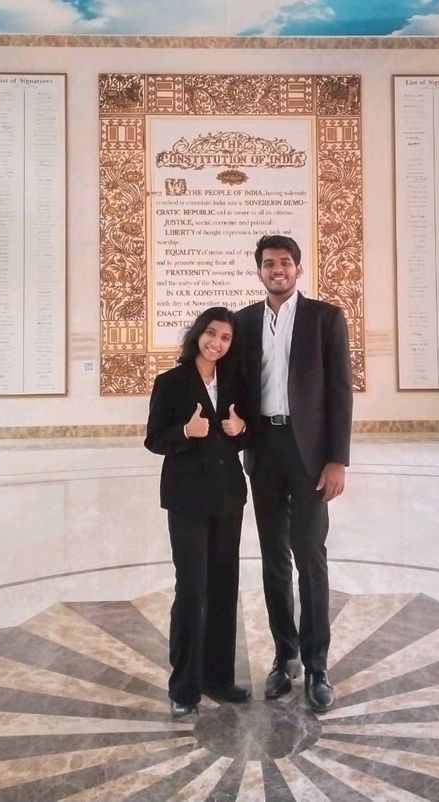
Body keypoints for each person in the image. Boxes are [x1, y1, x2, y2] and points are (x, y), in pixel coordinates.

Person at [236, 235, 352, 712]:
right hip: (264, 449)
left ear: (298, 269)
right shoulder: (243, 322)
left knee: (310, 556)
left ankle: (318, 666)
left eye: (285, 263)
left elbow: (340, 391)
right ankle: (285, 657)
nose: (277, 270)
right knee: (273, 558)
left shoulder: (325, 318)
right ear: (259, 271)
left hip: (310, 454)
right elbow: (235, 385)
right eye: (269, 264)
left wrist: (337, 458)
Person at [145, 307, 251, 719]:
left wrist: (240, 431)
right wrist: (186, 433)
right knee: (192, 588)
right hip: (187, 499)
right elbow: (154, 439)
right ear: (198, 334)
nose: (217, 343)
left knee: (224, 586)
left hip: (228, 498)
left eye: (225, 338)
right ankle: (185, 685)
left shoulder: (235, 383)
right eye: (211, 333)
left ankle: (219, 678)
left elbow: (244, 437)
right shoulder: (170, 382)